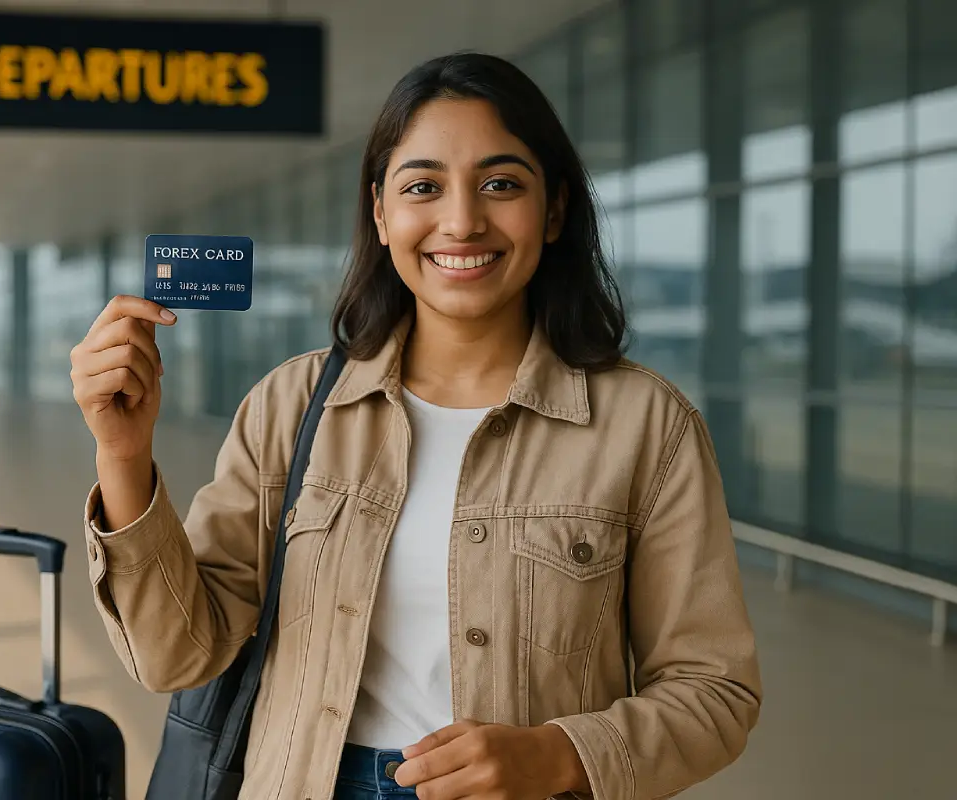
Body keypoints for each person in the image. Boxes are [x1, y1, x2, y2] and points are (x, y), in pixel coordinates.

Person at [71, 52, 761, 800]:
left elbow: (713, 690)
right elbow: (178, 656)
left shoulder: (644, 427)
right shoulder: (291, 406)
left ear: (555, 210)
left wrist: (559, 754)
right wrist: (124, 454)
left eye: (501, 183)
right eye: (423, 187)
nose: (461, 221)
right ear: (381, 212)